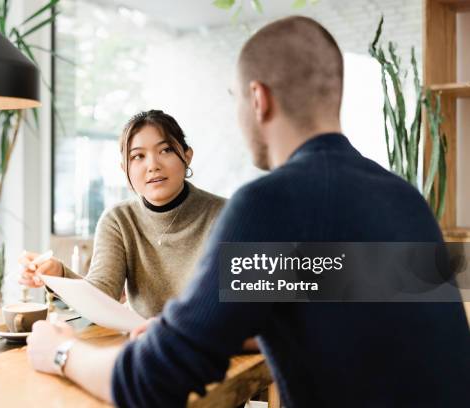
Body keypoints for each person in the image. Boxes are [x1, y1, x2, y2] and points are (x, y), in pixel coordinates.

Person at [26, 16, 470, 407]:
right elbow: (345, 313)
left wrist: (61, 353)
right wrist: (206, 332)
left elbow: (154, 383)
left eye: (235, 99)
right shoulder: (404, 198)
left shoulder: (269, 203)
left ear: (258, 99)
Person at [19, 110, 225, 318]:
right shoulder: (118, 220)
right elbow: (101, 295)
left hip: (209, 343)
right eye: (138, 156)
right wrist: (58, 274)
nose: (153, 165)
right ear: (124, 168)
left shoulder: (229, 215)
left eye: (166, 150)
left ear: (187, 156)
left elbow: (249, 308)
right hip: (140, 342)